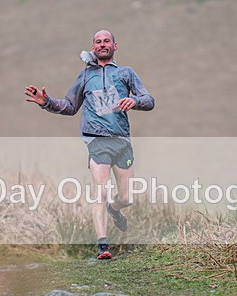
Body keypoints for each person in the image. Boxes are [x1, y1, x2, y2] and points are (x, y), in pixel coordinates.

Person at [24, 29, 155, 259]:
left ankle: (115, 210)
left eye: (106, 41)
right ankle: (103, 245)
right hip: (96, 141)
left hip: (122, 141)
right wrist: (46, 102)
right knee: (100, 192)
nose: (102, 44)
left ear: (115, 46)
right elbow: (69, 106)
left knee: (126, 198)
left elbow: (149, 100)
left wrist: (133, 100)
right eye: (97, 42)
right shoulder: (85, 76)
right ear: (93, 48)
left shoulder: (126, 73)